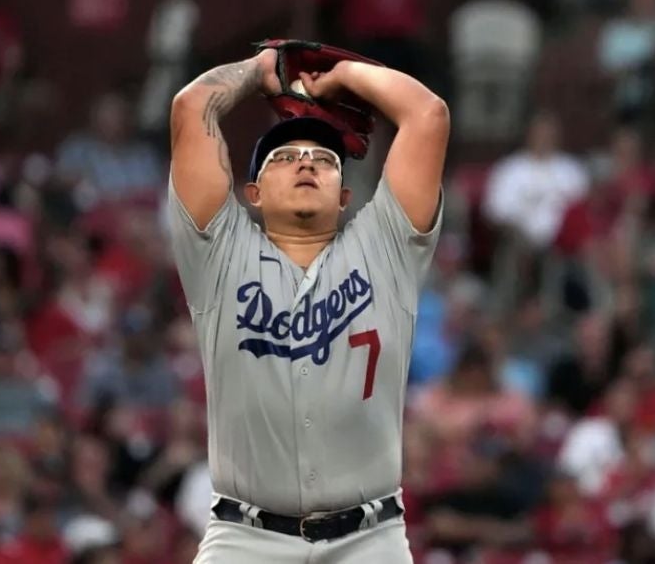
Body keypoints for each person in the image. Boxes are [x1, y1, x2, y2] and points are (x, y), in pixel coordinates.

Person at [167, 44, 449, 562]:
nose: (307, 164)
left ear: (346, 196)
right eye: (286, 157)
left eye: (324, 159)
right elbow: (192, 107)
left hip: (371, 538)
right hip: (244, 538)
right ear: (253, 192)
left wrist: (344, 76)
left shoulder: (386, 247)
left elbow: (427, 115)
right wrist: (261, 69)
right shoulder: (218, 253)